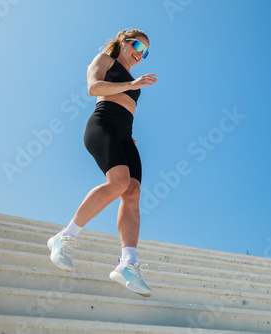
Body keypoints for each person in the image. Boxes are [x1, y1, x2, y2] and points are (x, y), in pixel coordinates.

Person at [47, 28, 157, 297]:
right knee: (119, 182)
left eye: (145, 52)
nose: (140, 54)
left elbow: (127, 109)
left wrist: (129, 136)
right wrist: (131, 85)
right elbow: (93, 87)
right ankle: (65, 237)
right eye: (137, 47)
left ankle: (127, 264)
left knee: (133, 191)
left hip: (124, 135)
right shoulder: (105, 60)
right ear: (123, 41)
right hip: (102, 124)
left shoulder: (133, 78)